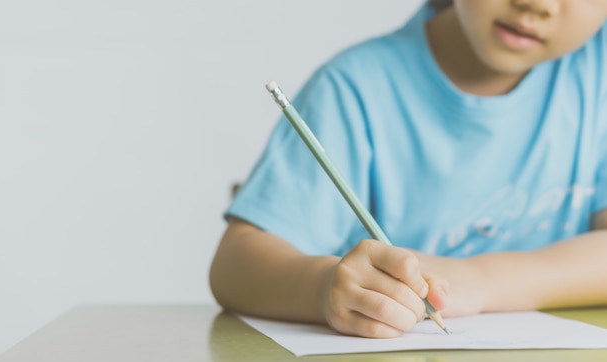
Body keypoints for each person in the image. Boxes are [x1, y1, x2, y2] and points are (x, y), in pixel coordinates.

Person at [210, 0, 607, 338]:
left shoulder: (597, 70)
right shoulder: (354, 88)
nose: (538, 5)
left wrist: (479, 280)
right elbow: (234, 265)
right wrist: (323, 288)